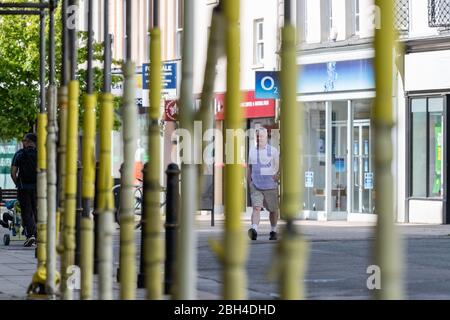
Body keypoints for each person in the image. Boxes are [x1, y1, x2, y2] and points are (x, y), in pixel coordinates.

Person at [247, 128, 280, 241]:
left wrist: (278, 176)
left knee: (273, 210)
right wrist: (249, 182)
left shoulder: (273, 151)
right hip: (256, 185)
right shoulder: (252, 151)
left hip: (270, 186)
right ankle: (254, 229)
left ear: (266, 137)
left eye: (261, 136)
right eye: (257, 136)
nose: (259, 138)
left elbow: (279, 167)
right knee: (256, 208)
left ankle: (273, 230)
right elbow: (249, 167)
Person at [10, 133, 37, 247]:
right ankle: (40, 235)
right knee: (38, 211)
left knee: (26, 212)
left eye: (24, 140)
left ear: (30, 141)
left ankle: (30, 235)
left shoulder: (19, 154)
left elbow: (13, 173)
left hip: (23, 188)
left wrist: (18, 183)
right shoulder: (41, 154)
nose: (23, 142)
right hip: (38, 188)